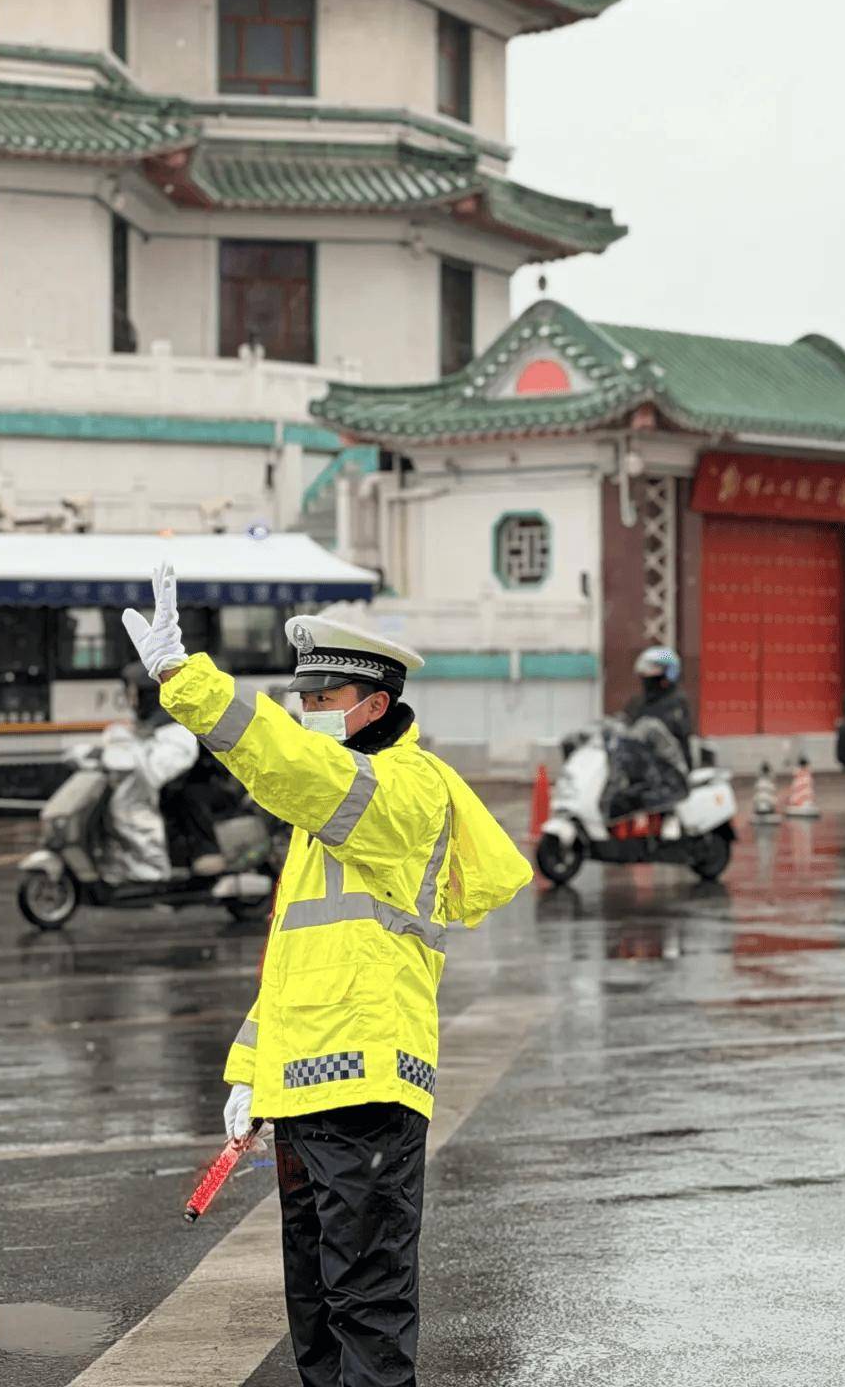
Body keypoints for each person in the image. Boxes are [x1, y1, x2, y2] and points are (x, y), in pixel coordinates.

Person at [123, 566, 532, 1387]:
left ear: (374, 706)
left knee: (366, 1311)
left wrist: (186, 681)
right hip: (308, 1096)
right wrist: (253, 1071)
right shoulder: (328, 821)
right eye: (303, 698)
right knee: (315, 1317)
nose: (307, 711)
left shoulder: (403, 791)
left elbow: (293, 766)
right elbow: (299, 966)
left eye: (323, 698)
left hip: (366, 1094)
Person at [97, 662, 200, 884]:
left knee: (132, 813)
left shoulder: (175, 729)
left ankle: (154, 874)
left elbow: (155, 770)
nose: (130, 700)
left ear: (148, 694)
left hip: (172, 797)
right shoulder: (149, 725)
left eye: (134, 693)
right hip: (157, 795)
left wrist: (127, 758)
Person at [622, 645, 694, 773]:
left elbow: (675, 739)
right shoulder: (638, 702)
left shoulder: (675, 704)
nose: (647, 676)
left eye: (653, 669)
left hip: (667, 772)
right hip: (638, 768)